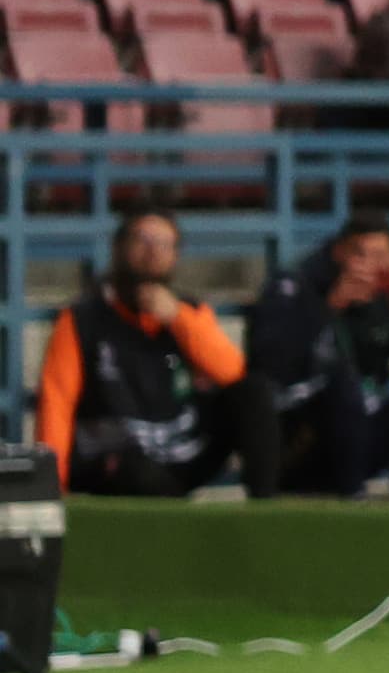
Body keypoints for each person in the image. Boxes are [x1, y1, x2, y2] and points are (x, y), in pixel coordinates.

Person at [38, 209, 278, 495]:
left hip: (182, 448)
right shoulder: (81, 320)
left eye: (165, 244)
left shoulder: (188, 312)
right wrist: (51, 488)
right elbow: (56, 404)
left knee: (254, 391)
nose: (153, 252)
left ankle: (264, 508)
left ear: (175, 257)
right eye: (144, 240)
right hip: (121, 456)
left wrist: (177, 317)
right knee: (131, 468)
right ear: (119, 247)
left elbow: (232, 373)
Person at [245, 215, 389, 501]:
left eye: (381, 256)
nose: (370, 265)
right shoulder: (295, 284)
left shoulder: (381, 295)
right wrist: (331, 306)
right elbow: (270, 358)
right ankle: (353, 498)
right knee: (342, 382)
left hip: (363, 434)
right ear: (339, 251)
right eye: (360, 254)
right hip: (303, 440)